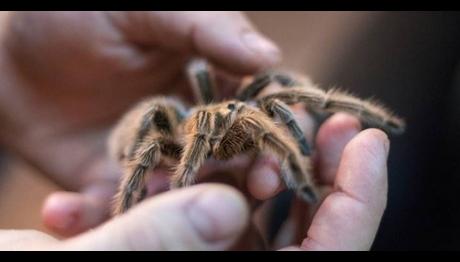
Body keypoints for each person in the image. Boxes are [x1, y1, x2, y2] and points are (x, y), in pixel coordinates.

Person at [0, 11, 389, 250]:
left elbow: (271, 92)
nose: (240, 111)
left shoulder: (244, 111)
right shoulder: (181, 126)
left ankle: (345, 140)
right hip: (168, 137)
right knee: (158, 124)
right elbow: (194, 118)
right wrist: (182, 185)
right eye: (233, 111)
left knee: (275, 95)